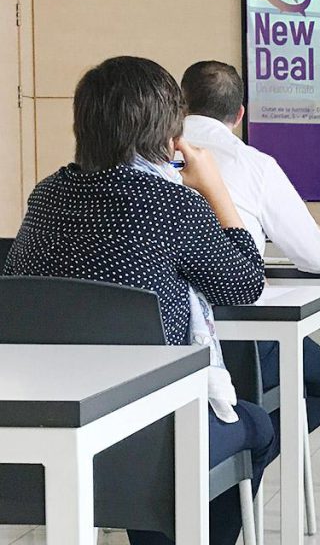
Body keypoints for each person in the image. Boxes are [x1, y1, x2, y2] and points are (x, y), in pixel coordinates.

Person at [2, 56, 277, 545]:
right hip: (154, 445)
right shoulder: (172, 203)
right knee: (256, 425)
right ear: (170, 134)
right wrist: (215, 190)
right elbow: (244, 285)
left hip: (40, 444)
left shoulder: (46, 197)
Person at [180, 60, 320, 430]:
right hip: (239, 332)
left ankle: (238, 458)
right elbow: (318, 260)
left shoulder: (147, 160)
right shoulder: (254, 164)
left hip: (162, 344)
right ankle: (250, 456)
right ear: (240, 114)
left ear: (179, 104)